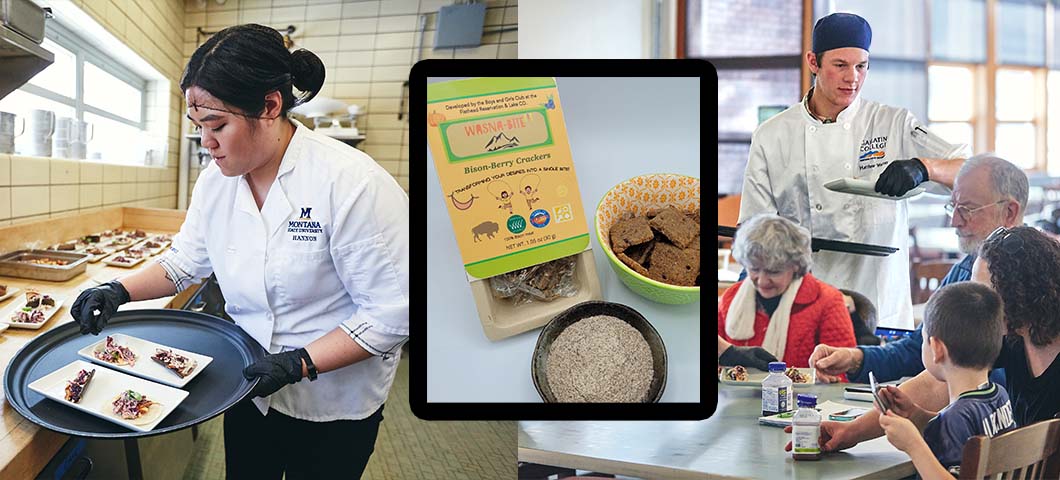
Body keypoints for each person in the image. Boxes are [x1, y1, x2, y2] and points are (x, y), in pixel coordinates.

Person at [69, 24, 409, 479]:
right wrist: (116, 290)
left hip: (334, 401)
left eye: (217, 126)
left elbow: (393, 313)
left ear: (270, 106)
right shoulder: (217, 180)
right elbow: (183, 262)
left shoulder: (352, 184)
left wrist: (300, 362)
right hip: (248, 383)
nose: (206, 144)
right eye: (198, 127)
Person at [739, 12, 968, 331]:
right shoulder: (772, 134)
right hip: (802, 298)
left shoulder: (892, 124)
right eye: (841, 65)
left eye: (862, 66)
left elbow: (972, 171)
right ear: (813, 62)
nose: (853, 78)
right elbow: (755, 226)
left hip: (878, 300)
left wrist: (924, 167)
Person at [785, 226, 1060, 455]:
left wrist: (915, 444)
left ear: (1022, 293)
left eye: (986, 291)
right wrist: (851, 431)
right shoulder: (1011, 335)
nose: (978, 303)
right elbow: (937, 380)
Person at [809, 155, 1027, 383]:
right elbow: (919, 347)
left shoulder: (1040, 280)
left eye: (967, 209)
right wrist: (855, 358)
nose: (955, 221)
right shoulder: (964, 270)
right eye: (953, 207)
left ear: (1010, 212)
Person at [876, 282, 1015, 478]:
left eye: (924, 340)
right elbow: (962, 431)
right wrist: (916, 415)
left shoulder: (956, 418)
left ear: (937, 349)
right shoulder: (999, 395)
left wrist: (913, 445)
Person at [718, 214, 856, 368]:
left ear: (796, 266)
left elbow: (842, 372)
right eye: (754, 269)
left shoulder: (828, 301)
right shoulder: (730, 297)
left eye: (774, 271)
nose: (762, 281)